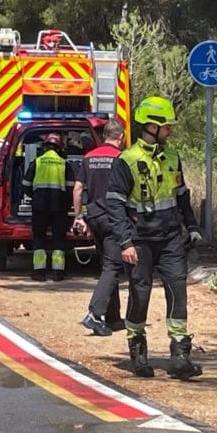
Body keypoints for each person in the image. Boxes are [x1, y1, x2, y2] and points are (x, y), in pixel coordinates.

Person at [106, 96, 203, 380]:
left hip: (171, 237)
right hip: (140, 240)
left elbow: (181, 195)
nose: (170, 131)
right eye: (167, 126)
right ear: (152, 126)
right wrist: (125, 242)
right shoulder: (127, 160)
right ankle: (138, 352)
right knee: (140, 293)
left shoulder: (172, 156)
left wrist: (192, 226)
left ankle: (180, 355)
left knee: (178, 290)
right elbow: (115, 205)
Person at [73, 118, 127, 337]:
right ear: (121, 137)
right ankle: (95, 314)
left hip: (94, 218)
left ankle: (113, 318)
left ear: (105, 136)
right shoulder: (121, 158)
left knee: (108, 265)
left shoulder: (89, 157)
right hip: (114, 218)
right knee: (113, 267)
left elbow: (78, 189)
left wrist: (79, 217)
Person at [23, 132, 71, 281]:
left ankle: (39, 272)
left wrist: (34, 196)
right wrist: (66, 203)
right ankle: (58, 273)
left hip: (39, 207)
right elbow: (71, 188)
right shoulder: (64, 164)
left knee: (39, 237)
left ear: (44, 147)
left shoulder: (37, 162)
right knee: (59, 238)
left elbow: (26, 185)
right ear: (59, 148)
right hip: (59, 208)